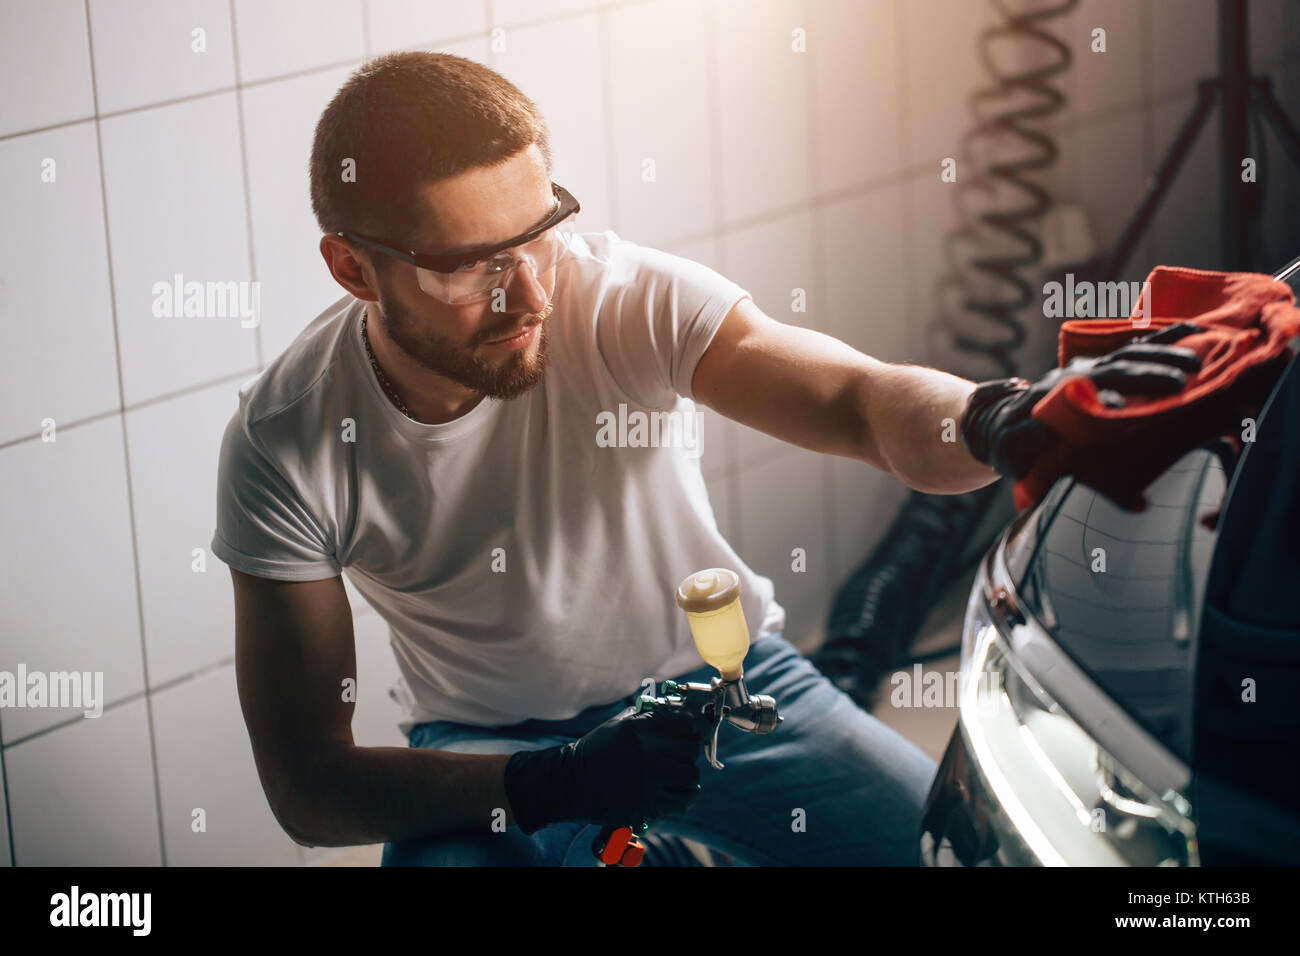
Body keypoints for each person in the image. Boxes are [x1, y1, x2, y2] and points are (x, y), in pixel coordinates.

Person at [212, 51, 1201, 866]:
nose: (528, 294)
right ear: (353, 266)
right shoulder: (287, 440)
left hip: (724, 689)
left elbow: (859, 402)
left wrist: (1000, 418)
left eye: (538, 235)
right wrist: (556, 779)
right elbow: (310, 785)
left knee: (954, 853)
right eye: (469, 264)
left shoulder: (621, 298)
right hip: (492, 754)